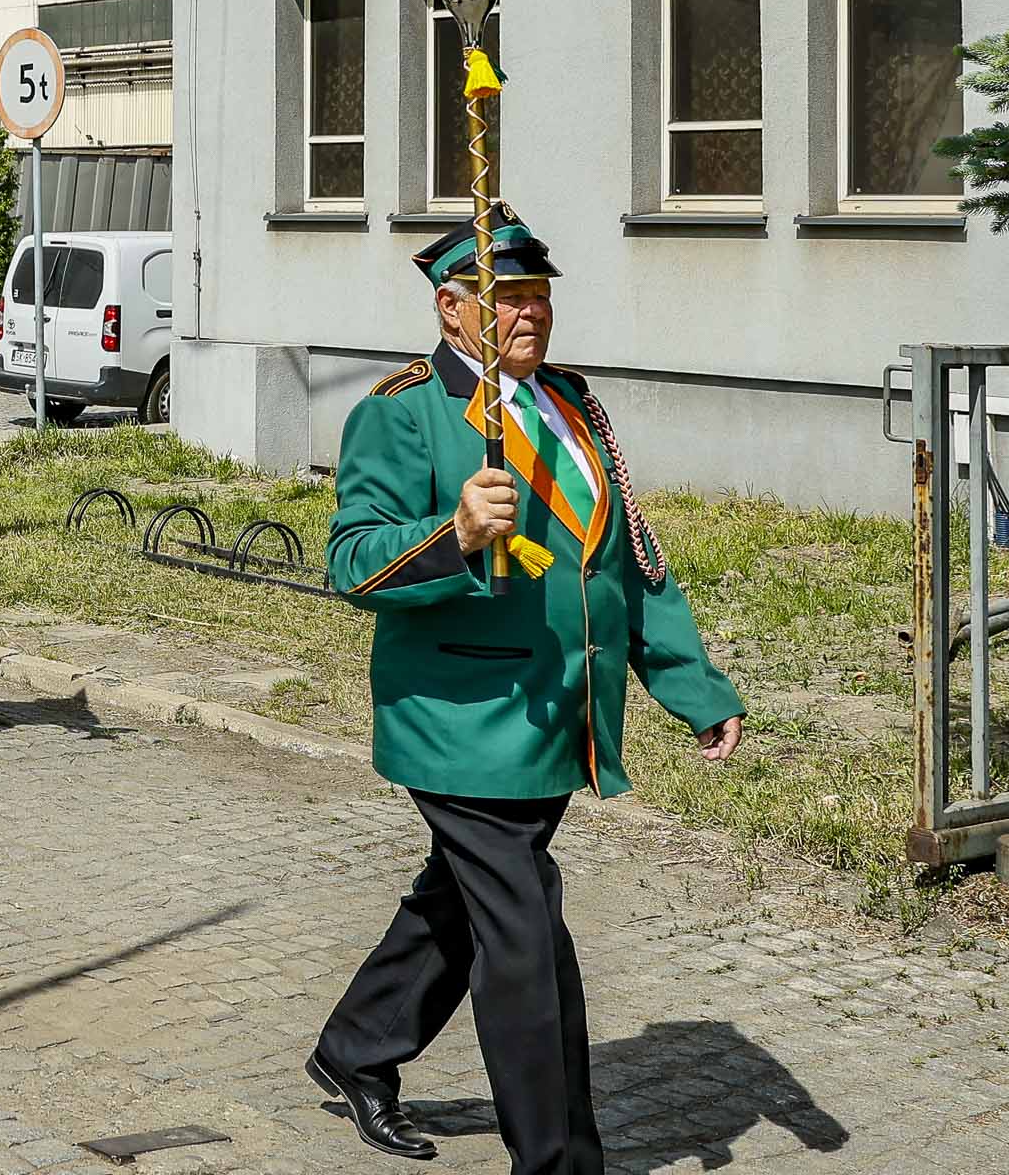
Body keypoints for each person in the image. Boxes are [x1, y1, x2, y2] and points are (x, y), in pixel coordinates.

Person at [308, 209, 745, 1175]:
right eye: (509, 299)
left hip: (557, 717)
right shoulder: (403, 411)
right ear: (451, 308)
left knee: (459, 906)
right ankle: (558, 1159)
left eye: (540, 296)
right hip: (461, 721)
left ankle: (356, 1048)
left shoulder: (573, 406)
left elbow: (631, 562)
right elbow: (350, 562)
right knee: (526, 943)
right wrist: (453, 533)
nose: (531, 315)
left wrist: (693, 687)